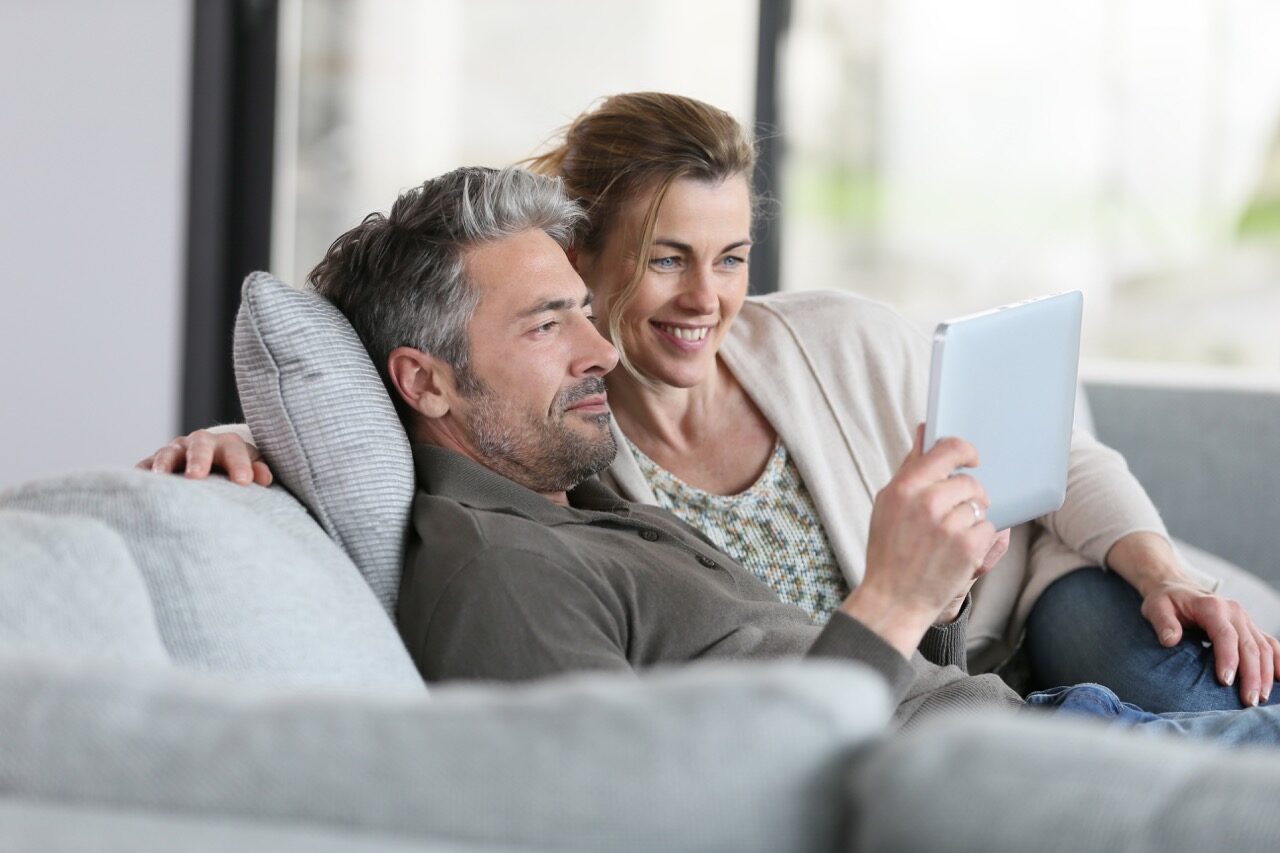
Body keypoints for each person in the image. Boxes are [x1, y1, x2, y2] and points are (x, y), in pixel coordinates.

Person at [143, 93, 1280, 715]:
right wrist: (258, 438)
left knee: (1110, 618)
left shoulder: (794, 352)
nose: (706, 300)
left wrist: (1155, 565)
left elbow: (1066, 459)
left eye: (732, 255)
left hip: (1027, 634)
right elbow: (421, 387)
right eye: (661, 260)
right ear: (589, 257)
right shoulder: (559, 468)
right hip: (964, 726)